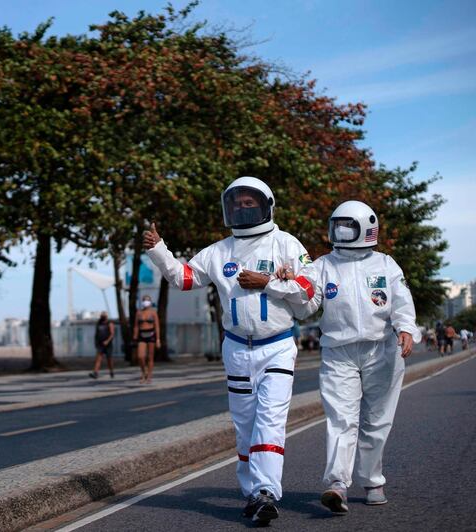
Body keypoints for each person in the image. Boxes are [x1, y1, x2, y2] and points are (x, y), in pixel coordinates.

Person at [145, 176, 311, 524]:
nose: (242, 207)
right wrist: (159, 250)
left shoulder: (286, 244)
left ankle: (266, 490)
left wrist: (269, 282)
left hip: (278, 345)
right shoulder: (219, 251)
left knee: (270, 419)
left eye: (250, 202)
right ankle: (253, 493)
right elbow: (183, 278)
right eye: (237, 203)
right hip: (236, 348)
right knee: (245, 425)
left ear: (266, 205)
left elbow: (310, 294)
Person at [273, 200, 421, 514]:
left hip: (382, 349)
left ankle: (372, 481)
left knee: (376, 420)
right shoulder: (323, 265)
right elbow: (307, 301)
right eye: (337, 225)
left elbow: (401, 301)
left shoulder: (385, 264)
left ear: (367, 228)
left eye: (347, 226)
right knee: (341, 419)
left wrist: (406, 328)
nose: (340, 231)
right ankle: (337, 484)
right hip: (338, 353)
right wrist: (289, 281)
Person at [133, 295, 159, 384]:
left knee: (150, 357)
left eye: (147, 300)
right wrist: (135, 336)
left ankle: (149, 376)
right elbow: (136, 326)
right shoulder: (139, 313)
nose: (146, 302)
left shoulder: (153, 312)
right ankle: (144, 372)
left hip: (151, 334)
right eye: (144, 300)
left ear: (150, 302)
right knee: (140, 357)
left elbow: (157, 326)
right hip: (141, 335)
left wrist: (158, 339)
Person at [89, 312, 115, 379]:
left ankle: (111, 371)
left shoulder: (109, 323)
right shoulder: (98, 324)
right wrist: (95, 342)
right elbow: (96, 334)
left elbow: (112, 334)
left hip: (108, 344)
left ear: (106, 316)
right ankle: (95, 373)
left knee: (109, 359)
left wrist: (107, 341)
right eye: (101, 315)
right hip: (100, 344)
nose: (102, 317)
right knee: (98, 359)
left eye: (104, 315)